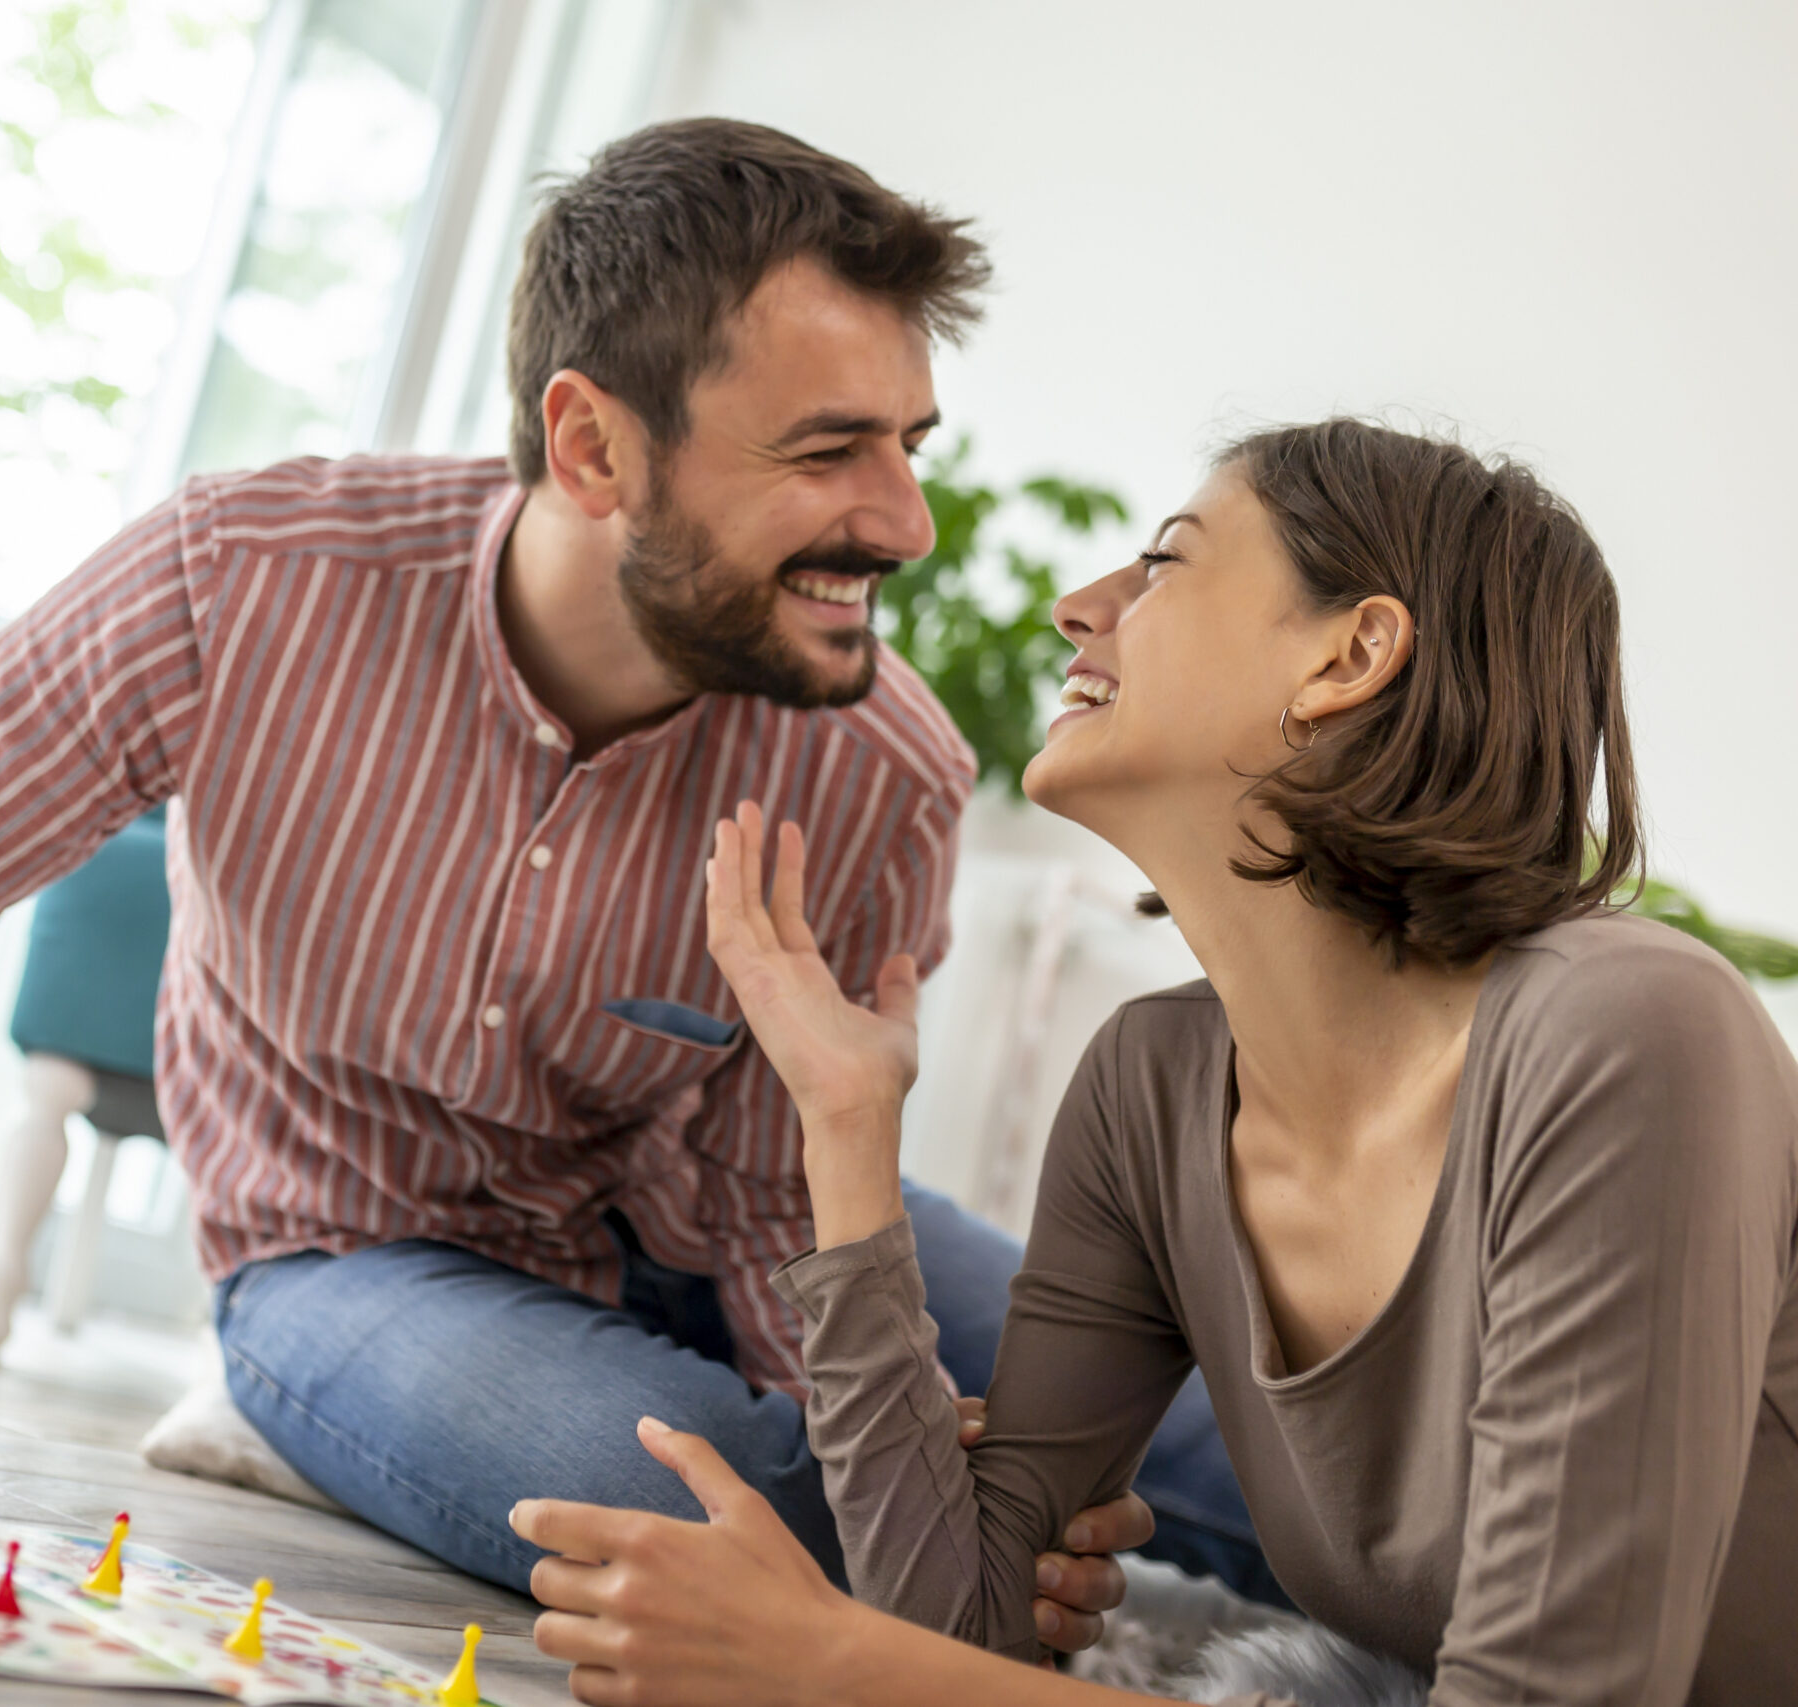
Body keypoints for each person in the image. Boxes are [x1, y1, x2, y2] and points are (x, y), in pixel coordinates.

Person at [0, 118, 1274, 1619]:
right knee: (721, 1508)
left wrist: (936, 1486)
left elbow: (769, 1209)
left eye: (907, 443)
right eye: (831, 452)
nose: (904, 521)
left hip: (727, 1226)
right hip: (354, 1253)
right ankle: (340, 1420)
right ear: (592, 445)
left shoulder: (878, 766)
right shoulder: (242, 581)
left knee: (1209, 1405)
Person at [511, 418, 1798, 1705]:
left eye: (1164, 565)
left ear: (1351, 655)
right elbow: (962, 1626)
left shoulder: (1627, 1035)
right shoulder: (1151, 1085)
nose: (1081, 609)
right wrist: (847, 1127)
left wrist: (831, 1660)